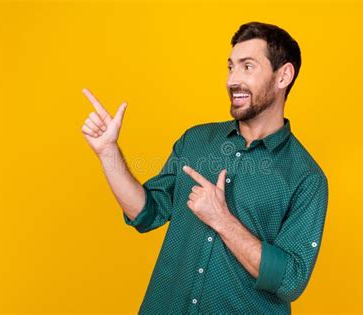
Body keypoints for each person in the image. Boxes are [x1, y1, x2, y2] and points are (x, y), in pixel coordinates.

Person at [81, 21, 329, 314]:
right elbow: (145, 213)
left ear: (283, 76)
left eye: (247, 67)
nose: (232, 80)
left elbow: (289, 280)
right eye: (230, 67)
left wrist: (222, 220)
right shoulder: (196, 141)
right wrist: (108, 153)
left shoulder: (306, 177)